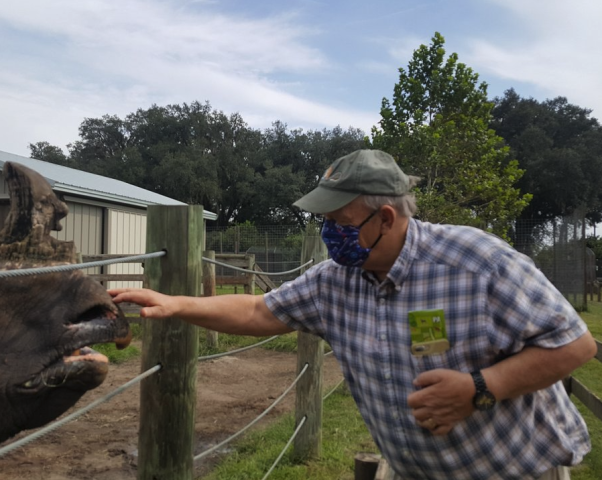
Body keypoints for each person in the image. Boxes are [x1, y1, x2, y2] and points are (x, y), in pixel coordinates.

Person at [109, 149, 597, 480]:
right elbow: (260, 310)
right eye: (323, 222)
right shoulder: (335, 282)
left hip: (513, 472)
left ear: (385, 218)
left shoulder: (476, 261)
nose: (329, 234)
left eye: (338, 222)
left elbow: (576, 345)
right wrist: (175, 304)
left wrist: (480, 389)